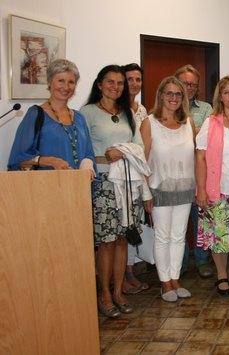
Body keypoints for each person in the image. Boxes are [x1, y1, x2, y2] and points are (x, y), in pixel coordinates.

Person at [81, 65, 143, 317]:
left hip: (127, 184)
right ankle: (104, 295)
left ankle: (118, 292)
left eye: (120, 83)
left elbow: (139, 146)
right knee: (106, 242)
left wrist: (123, 152)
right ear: (99, 84)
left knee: (121, 239)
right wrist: (109, 158)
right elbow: (83, 153)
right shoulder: (87, 113)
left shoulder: (127, 112)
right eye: (110, 82)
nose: (116, 87)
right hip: (103, 185)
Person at [140, 76, 196, 302]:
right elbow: (142, 161)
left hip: (184, 188)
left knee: (179, 236)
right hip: (159, 189)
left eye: (178, 94)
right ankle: (164, 282)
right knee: (162, 237)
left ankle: (175, 278)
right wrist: (145, 192)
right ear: (161, 95)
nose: (174, 98)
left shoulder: (188, 123)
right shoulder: (149, 123)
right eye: (169, 93)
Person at [195, 76, 229, 296]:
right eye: (226, 92)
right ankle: (222, 275)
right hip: (218, 187)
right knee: (219, 236)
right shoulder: (212, 121)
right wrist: (201, 190)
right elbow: (200, 158)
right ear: (220, 96)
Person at [8, 59, 95, 177]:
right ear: (49, 82)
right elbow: (18, 158)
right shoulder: (35, 115)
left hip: (76, 188)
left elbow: (88, 154)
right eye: (60, 81)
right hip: (46, 187)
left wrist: (87, 167)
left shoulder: (79, 118)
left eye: (71, 82)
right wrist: (49, 161)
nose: (66, 87)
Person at [175, 64, 214, 278]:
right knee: (178, 223)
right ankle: (178, 265)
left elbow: (208, 136)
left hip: (200, 171)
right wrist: (195, 131)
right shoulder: (168, 107)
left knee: (201, 220)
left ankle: (201, 261)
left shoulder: (207, 108)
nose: (189, 87)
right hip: (176, 175)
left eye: (193, 84)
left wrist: (184, 131)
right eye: (186, 83)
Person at [121, 62, 150, 295]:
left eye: (138, 80)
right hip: (119, 176)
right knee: (123, 226)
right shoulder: (114, 109)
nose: (134, 84)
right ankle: (124, 274)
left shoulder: (142, 110)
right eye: (129, 79)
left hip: (138, 174)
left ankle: (129, 271)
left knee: (134, 224)